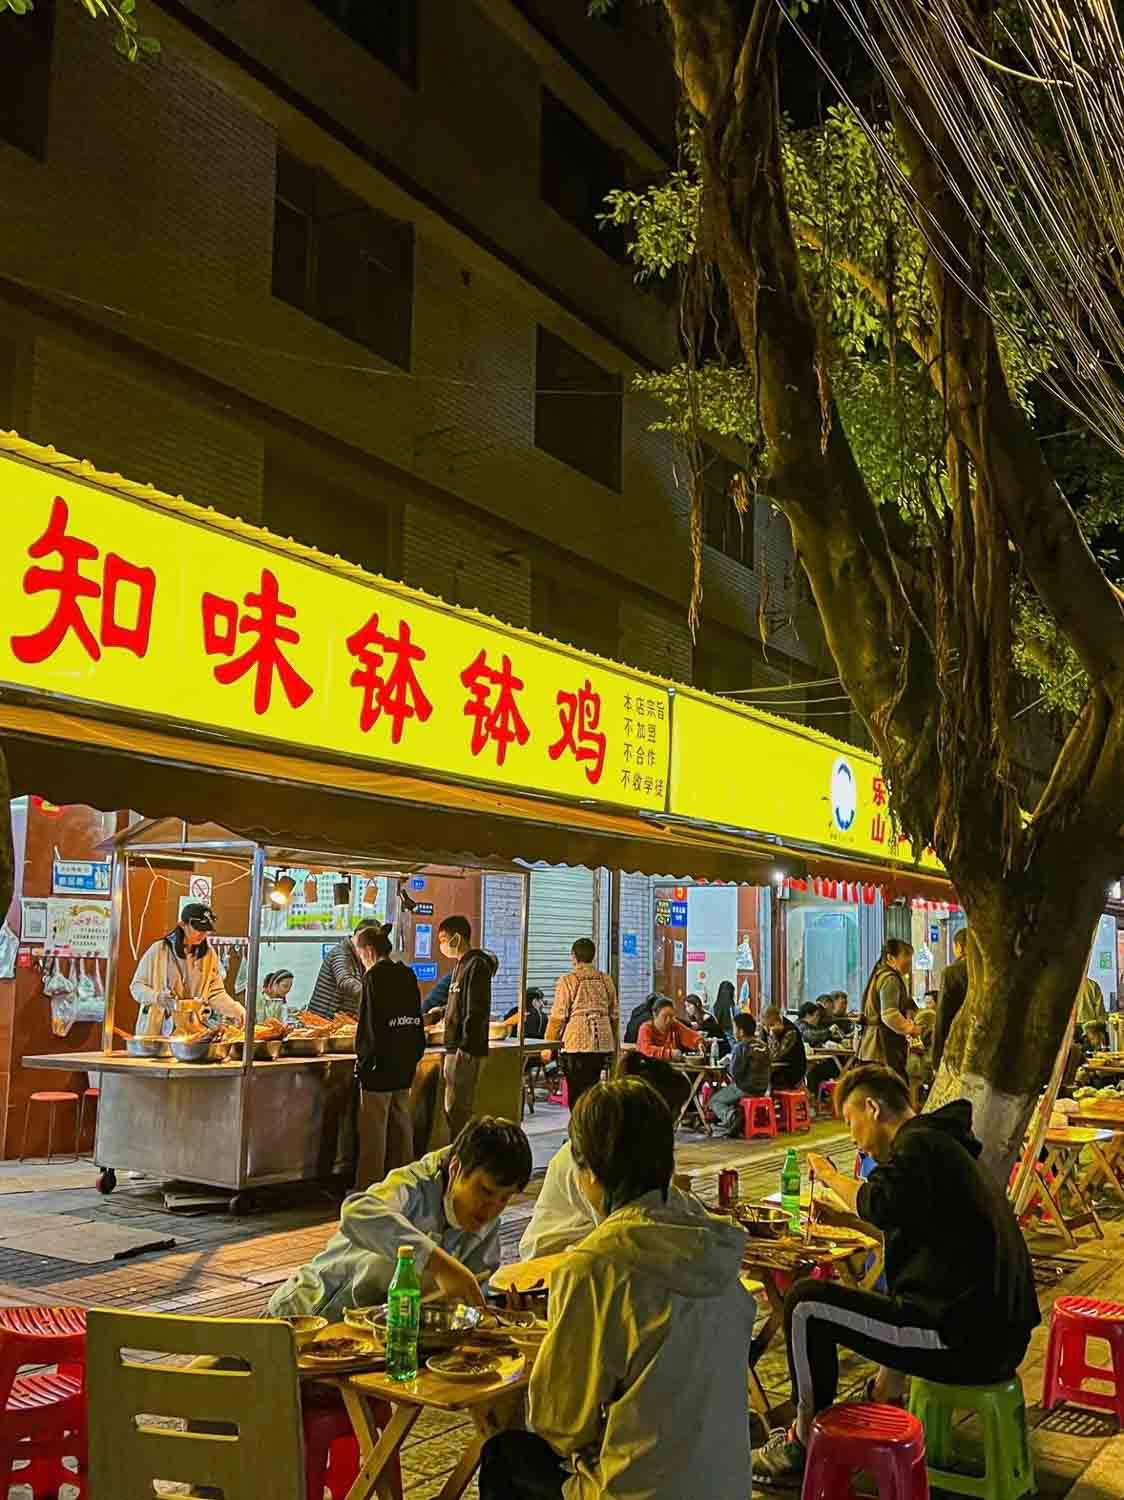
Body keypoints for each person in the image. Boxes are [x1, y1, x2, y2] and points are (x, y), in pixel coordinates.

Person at [757, 1064, 1040, 1485]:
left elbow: (879, 1201)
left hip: (965, 1341)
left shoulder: (919, 1147)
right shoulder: (943, 1146)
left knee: (805, 1303)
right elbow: (904, 1217)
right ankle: (865, 1403)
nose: (854, 1139)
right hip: (995, 1334)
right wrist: (844, 1216)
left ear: (872, 1107)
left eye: (851, 1122)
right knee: (828, 1305)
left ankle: (802, 1446)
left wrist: (832, 1178)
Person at [480, 1079, 755, 1500]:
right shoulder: (716, 1244)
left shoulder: (597, 1264)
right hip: (728, 1486)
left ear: (589, 1172)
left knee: (505, 1455)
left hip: (638, 1493)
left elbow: (559, 1425)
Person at [268, 1116, 532, 1322]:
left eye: (505, 1198)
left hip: (374, 1336)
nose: (492, 1208)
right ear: (455, 1168)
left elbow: (471, 1298)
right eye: (485, 1191)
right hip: (307, 1316)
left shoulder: (486, 1221)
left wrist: (500, 1308)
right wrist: (440, 1264)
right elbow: (357, 1212)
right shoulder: (413, 1185)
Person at [519, 1050, 692, 1258]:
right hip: (550, 1258)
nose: (672, 1124)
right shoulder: (593, 1152)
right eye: (670, 1115)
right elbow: (621, 1227)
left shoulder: (637, 1148)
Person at [353, 924, 426, 1191]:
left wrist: (363, 1061)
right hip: (405, 1061)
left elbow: (369, 1026)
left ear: (369, 951)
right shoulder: (406, 975)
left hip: (379, 1065)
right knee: (401, 1126)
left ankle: (369, 1188)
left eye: (360, 953)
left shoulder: (374, 977)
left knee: (374, 1132)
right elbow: (416, 1018)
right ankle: (403, 1183)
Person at [130, 902, 246, 1036]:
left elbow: (215, 993)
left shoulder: (209, 955)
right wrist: (157, 997)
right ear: (182, 925)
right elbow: (136, 987)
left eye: (206, 930)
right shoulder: (159, 950)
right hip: (157, 1031)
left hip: (192, 1031)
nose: (203, 934)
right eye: (198, 929)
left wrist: (236, 1010)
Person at [439, 915, 497, 1138]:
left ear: (457, 937)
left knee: (459, 1110)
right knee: (451, 1109)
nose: (442, 945)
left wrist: (465, 1046)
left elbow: (476, 1008)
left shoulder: (477, 965)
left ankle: (463, 1156)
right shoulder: (459, 965)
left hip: (465, 1049)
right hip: (453, 1047)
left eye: (444, 939)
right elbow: (460, 1001)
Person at [546, 940, 618, 1112]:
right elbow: (614, 1014)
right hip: (602, 1042)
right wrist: (614, 1041)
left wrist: (548, 1044)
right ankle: (590, 1127)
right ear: (593, 956)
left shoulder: (568, 980)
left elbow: (558, 1016)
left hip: (576, 1042)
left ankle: (578, 1131)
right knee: (592, 1089)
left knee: (576, 1091)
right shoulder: (605, 979)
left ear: (573, 956)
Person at [857, 939, 920, 1079]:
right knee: (890, 1092)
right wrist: (912, 1029)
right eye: (906, 956)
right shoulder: (890, 979)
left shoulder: (881, 975)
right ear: (890, 957)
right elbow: (890, 1015)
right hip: (882, 1048)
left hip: (872, 1047)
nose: (910, 961)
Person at [709, 1012, 772, 1135]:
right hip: (763, 1088)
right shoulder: (763, 1045)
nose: (733, 1032)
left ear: (741, 1031)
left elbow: (735, 1073)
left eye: (734, 1028)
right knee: (729, 1094)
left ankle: (731, 1117)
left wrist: (727, 1065)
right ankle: (739, 1116)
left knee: (714, 1100)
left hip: (745, 1087)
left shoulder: (740, 1047)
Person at [309, 924, 384, 1022]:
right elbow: (345, 980)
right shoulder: (341, 953)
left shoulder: (359, 958)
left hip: (340, 1021)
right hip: (323, 1020)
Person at [931, 928, 968, 1074]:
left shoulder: (952, 973)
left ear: (959, 947)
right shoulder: (993, 970)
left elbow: (942, 1018)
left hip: (959, 1045)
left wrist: (936, 1059)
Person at [637, 997, 703, 1060]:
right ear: (655, 1015)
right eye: (665, 1016)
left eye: (671, 1016)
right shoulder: (645, 1028)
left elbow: (691, 1036)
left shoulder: (673, 1024)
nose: (668, 1020)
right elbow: (646, 1050)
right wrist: (670, 1053)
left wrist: (699, 1043)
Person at [762, 1006, 807, 1090]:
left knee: (762, 1081)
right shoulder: (765, 1028)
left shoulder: (790, 1031)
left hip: (791, 1070)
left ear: (778, 1020)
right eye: (765, 1025)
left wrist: (773, 1035)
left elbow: (775, 1056)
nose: (767, 1028)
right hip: (775, 1068)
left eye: (770, 1025)